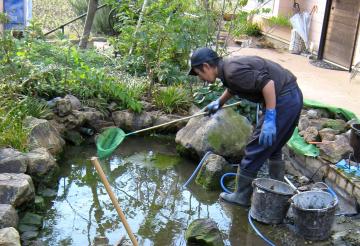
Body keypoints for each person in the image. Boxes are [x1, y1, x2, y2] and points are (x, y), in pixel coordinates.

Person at [188, 47, 303, 206]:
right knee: (273, 145)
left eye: (199, 73)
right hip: (291, 95)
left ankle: (241, 196)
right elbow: (235, 87)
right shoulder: (228, 69)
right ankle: (279, 191)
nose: (201, 78)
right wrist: (219, 102)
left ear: (206, 66)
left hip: (283, 99)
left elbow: (267, 84)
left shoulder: (232, 71)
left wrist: (270, 118)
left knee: (256, 147)